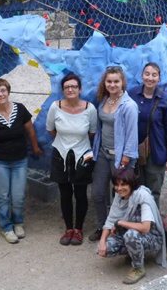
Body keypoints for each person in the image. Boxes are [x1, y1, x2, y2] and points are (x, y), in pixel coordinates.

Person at [0, 78, 42, 244]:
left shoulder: (20, 109)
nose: (0, 94)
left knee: (18, 195)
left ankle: (18, 222)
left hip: (20, 160)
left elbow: (30, 131)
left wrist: (35, 147)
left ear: (8, 91)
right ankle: (6, 226)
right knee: (3, 195)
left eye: (3, 90)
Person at [46, 73, 97, 246]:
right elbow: (51, 130)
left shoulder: (90, 108)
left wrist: (78, 145)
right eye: (67, 87)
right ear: (62, 90)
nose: (70, 89)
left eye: (74, 86)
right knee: (65, 193)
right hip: (60, 154)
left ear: (80, 89)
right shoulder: (55, 106)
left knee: (81, 193)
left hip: (82, 155)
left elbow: (92, 133)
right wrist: (65, 143)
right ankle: (68, 228)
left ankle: (79, 229)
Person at [89, 66, 139, 242]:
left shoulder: (129, 106)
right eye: (109, 81)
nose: (112, 84)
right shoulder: (104, 101)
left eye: (116, 81)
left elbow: (133, 134)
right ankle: (102, 225)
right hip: (103, 153)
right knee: (98, 193)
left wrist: (126, 159)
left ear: (122, 82)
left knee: (120, 195)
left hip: (121, 157)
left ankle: (118, 229)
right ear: (105, 82)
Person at [97, 169, 167, 285]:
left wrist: (120, 223)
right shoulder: (119, 196)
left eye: (123, 184)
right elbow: (110, 220)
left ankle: (138, 268)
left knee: (131, 235)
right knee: (105, 249)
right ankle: (133, 253)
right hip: (129, 233)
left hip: (151, 237)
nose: (119, 188)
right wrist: (102, 241)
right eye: (116, 185)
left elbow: (145, 228)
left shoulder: (142, 197)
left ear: (131, 184)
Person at [128, 62, 167, 207]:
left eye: (154, 75)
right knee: (135, 188)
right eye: (147, 74)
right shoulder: (132, 94)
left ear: (159, 78)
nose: (150, 78)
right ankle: (136, 221)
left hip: (157, 151)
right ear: (142, 76)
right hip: (134, 151)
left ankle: (151, 223)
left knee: (153, 190)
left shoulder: (165, 99)